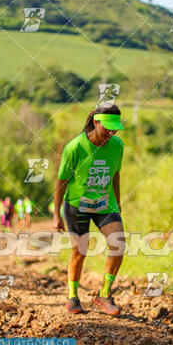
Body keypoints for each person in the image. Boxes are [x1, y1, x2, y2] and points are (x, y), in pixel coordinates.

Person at [54, 104, 125, 315]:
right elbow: (62, 181)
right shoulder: (75, 147)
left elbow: (115, 173)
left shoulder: (117, 145)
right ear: (96, 122)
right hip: (77, 205)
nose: (111, 133)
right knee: (80, 250)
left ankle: (104, 295)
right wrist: (56, 213)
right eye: (107, 128)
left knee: (118, 244)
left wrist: (118, 201)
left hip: (105, 203)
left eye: (115, 129)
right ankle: (72, 297)